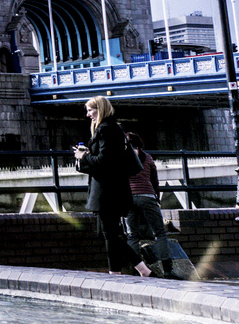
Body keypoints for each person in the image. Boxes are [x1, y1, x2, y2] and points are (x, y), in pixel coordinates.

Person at [74, 96, 151, 276]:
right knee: (109, 233)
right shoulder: (111, 128)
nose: (88, 115)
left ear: (100, 109)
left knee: (111, 234)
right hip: (112, 189)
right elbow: (106, 160)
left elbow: (104, 161)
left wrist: (83, 157)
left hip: (108, 191)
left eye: (90, 110)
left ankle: (126, 271)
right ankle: (134, 270)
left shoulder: (106, 129)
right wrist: (85, 156)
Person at [123, 131, 175, 277]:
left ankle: (137, 270)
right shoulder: (148, 158)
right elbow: (155, 181)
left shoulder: (122, 157)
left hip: (129, 197)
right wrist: (156, 198)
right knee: (159, 233)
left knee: (132, 235)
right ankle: (168, 270)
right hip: (147, 196)